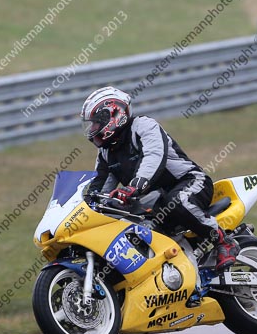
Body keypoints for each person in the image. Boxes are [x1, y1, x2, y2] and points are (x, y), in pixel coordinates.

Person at [80, 86, 239, 272]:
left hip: (190, 182)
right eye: (91, 124)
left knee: (177, 202)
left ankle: (224, 241)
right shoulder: (106, 151)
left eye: (97, 122)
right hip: (155, 201)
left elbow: (155, 156)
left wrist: (134, 186)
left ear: (115, 114)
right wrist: (85, 206)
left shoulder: (142, 126)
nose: (93, 128)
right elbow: (99, 187)